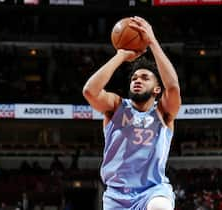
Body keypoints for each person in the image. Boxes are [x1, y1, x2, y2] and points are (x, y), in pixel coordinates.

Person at [83, 16, 181, 210]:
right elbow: (89, 91)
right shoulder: (116, 107)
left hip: (152, 190)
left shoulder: (163, 113)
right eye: (134, 77)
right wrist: (121, 55)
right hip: (116, 196)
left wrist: (152, 41)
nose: (137, 80)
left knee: (160, 206)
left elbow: (173, 87)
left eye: (145, 78)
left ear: (156, 89)